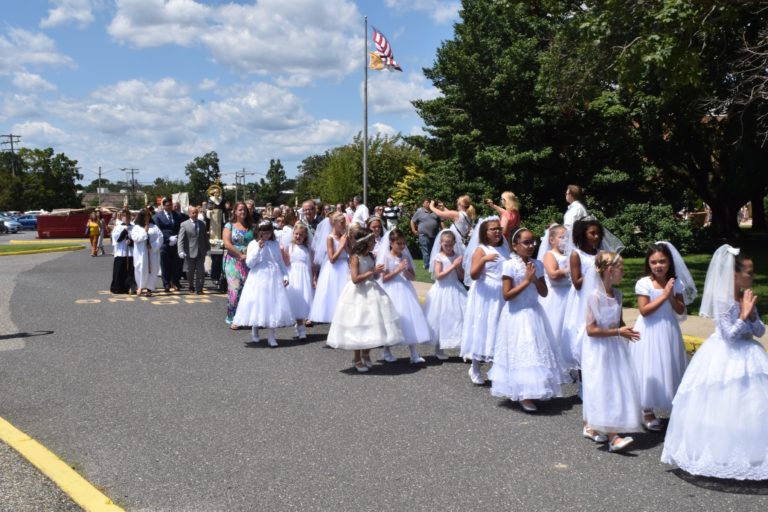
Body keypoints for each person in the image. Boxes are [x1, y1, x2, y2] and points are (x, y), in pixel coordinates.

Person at [661, 246, 768, 479]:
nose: (752, 276)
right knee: (723, 404)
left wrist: (751, 314)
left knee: (752, 407)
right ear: (734, 274)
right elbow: (729, 335)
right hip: (725, 356)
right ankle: (721, 454)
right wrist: (742, 315)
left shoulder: (745, 297)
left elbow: (759, 330)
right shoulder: (724, 301)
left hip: (750, 354)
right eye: (748, 272)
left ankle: (752, 453)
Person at [489, 228, 566, 412]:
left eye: (533, 242)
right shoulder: (509, 265)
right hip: (516, 315)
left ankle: (534, 389)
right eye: (526, 242)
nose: (531, 246)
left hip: (534, 312)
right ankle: (523, 393)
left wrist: (534, 280)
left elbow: (544, 292)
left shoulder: (537, 264)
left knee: (535, 352)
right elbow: (507, 295)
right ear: (515, 245)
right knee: (523, 351)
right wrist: (525, 281)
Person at [582, 251, 642, 452]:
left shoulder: (617, 295)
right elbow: (590, 330)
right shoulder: (594, 297)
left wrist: (627, 331)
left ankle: (591, 425)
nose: (623, 273)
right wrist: (617, 331)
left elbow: (618, 321)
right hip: (599, 349)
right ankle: (612, 437)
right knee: (603, 388)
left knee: (614, 386)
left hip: (615, 348)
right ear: (609, 270)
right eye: (621, 269)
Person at [630, 243, 693, 431]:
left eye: (662, 261)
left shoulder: (676, 282)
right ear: (648, 264)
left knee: (668, 365)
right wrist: (664, 295)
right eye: (654, 262)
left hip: (668, 327)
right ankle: (646, 409)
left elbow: (681, 309)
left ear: (669, 263)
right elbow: (645, 310)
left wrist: (671, 295)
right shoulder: (644, 283)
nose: (658, 265)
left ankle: (672, 405)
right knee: (649, 367)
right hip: (650, 328)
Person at [326, 227, 404, 372]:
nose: (375, 242)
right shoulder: (355, 257)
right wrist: (372, 272)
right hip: (358, 293)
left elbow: (373, 276)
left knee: (372, 323)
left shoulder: (371, 256)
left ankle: (366, 353)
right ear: (365, 242)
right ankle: (356, 358)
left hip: (372, 290)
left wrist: (377, 273)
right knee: (359, 323)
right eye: (372, 240)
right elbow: (355, 279)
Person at [460, 217, 510, 384]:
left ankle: (497, 367)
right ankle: (475, 366)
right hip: (485, 293)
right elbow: (473, 275)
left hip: (501, 292)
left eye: (499, 229)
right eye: (493, 229)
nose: (497, 231)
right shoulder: (481, 250)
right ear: (485, 233)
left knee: (498, 328)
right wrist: (483, 260)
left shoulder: (504, 248)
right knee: (482, 327)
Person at [233, 221, 293, 347]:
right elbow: (250, 263)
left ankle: (272, 336)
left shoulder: (275, 244)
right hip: (258, 276)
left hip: (273, 276)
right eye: (263, 232)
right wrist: (259, 248)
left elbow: (280, 261)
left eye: (268, 232)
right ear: (258, 233)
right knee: (257, 302)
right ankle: (255, 330)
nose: (266, 235)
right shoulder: (253, 244)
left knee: (272, 304)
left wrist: (285, 275)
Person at [377, 228, 430, 364]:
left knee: (410, 319)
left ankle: (413, 352)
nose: (401, 246)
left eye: (403, 243)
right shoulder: (386, 257)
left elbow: (412, 277)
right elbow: (384, 278)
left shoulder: (405, 257)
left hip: (405, 290)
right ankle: (387, 350)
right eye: (398, 243)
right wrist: (398, 270)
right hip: (391, 290)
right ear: (391, 243)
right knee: (392, 319)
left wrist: (406, 272)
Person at [560, 219, 604, 371]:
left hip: (599, 297)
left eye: (598, 233)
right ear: (582, 235)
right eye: (592, 233)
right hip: (582, 300)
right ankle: (581, 379)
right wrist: (596, 272)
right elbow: (577, 282)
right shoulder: (576, 254)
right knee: (581, 333)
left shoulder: (602, 254)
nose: (596, 236)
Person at [423, 229, 467, 360]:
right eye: (445, 244)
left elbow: (461, 276)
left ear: (454, 243)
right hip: (442, 289)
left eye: (450, 243)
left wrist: (459, 267)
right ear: (441, 243)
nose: (448, 246)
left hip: (455, 287)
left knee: (460, 317)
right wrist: (453, 266)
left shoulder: (457, 256)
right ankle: (439, 347)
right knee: (441, 318)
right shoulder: (439, 257)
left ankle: (462, 347)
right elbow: (438, 276)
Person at [308, 212, 350, 323]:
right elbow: (332, 259)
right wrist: (341, 246)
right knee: (333, 295)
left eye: (344, 222)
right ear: (334, 223)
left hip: (345, 266)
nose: (344, 224)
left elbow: (350, 253)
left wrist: (346, 245)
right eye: (341, 222)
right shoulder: (330, 238)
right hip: (334, 269)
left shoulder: (344, 236)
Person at [223, 202, 254, 328]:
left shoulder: (251, 226)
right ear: (235, 211)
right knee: (234, 290)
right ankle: (232, 318)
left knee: (247, 291)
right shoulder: (229, 226)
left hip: (249, 261)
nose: (243, 212)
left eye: (244, 210)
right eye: (240, 210)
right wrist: (240, 254)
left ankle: (245, 317)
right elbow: (227, 243)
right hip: (233, 261)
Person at [538, 224, 571, 345]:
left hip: (569, 294)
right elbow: (553, 274)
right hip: (556, 296)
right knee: (556, 326)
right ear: (551, 240)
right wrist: (571, 269)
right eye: (562, 237)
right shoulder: (550, 255)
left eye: (567, 237)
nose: (565, 240)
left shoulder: (569, 255)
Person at [283, 223, 314, 340]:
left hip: (304, 277)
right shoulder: (289, 247)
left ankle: (300, 326)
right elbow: (286, 263)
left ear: (305, 236)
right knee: (295, 301)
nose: (298, 236)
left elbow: (310, 265)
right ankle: (300, 327)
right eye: (296, 234)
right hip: (293, 276)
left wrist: (313, 278)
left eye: (301, 235)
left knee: (303, 301)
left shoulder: (307, 249)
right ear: (293, 234)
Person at [130, 207, 163, 297]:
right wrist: (145, 232)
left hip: (152, 251)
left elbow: (160, 237)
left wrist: (152, 245)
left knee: (153, 269)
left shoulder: (154, 227)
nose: (147, 218)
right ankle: (140, 286)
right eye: (145, 217)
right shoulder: (136, 227)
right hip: (141, 252)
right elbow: (135, 238)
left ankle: (149, 288)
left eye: (148, 216)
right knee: (140, 268)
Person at [178, 206, 211, 295]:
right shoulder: (184, 224)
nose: (195, 214)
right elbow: (180, 239)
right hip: (189, 251)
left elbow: (205, 238)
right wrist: (180, 250)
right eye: (193, 213)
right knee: (190, 271)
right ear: (189, 214)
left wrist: (208, 249)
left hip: (201, 251)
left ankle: (199, 288)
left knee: (200, 271)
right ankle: (190, 285)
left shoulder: (202, 223)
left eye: (196, 213)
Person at [154, 197, 183, 292]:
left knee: (176, 264)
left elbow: (181, 228)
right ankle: (166, 283)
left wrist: (177, 237)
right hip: (164, 243)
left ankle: (174, 282)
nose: (169, 207)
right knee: (165, 264)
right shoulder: (158, 216)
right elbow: (158, 230)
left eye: (170, 205)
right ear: (163, 206)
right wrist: (167, 238)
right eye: (167, 205)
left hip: (176, 242)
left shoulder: (177, 215)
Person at [109, 210, 136, 294]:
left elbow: (137, 239)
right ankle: (118, 287)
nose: (127, 218)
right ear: (122, 217)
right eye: (125, 217)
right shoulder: (118, 227)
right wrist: (124, 231)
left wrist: (131, 242)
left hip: (131, 252)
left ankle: (131, 287)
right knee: (119, 271)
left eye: (128, 217)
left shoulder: (134, 227)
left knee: (131, 271)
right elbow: (117, 239)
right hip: (121, 252)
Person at [410, 198, 441, 269]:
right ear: (423, 204)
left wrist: (444, 230)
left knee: (435, 251)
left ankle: (434, 265)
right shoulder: (419, 211)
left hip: (435, 235)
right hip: (423, 235)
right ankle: (427, 266)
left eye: (429, 202)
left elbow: (440, 222)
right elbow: (412, 221)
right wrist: (413, 230)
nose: (428, 203)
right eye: (426, 202)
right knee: (426, 251)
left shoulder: (435, 211)